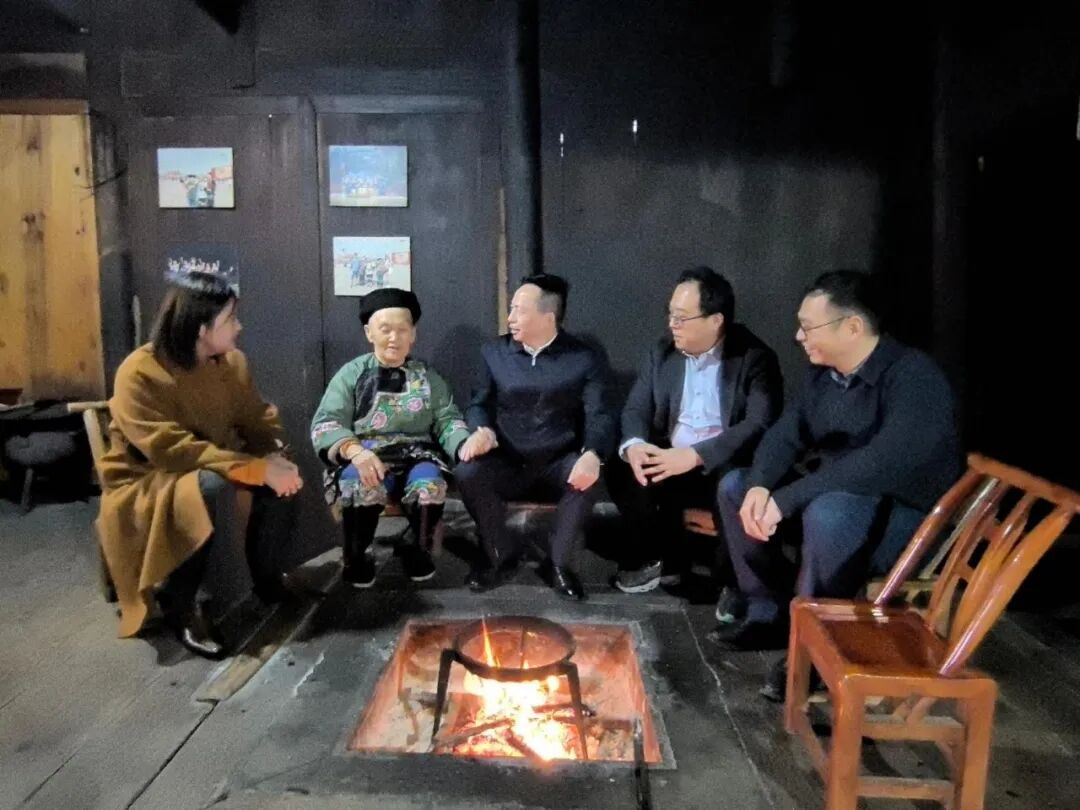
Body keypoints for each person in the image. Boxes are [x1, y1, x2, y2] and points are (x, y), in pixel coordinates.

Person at [709, 270, 963, 653]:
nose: (799, 336)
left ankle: (816, 648)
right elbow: (785, 433)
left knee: (828, 512)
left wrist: (786, 500)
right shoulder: (823, 376)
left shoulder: (913, 377)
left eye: (809, 327)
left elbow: (880, 463)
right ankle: (768, 613)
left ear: (853, 327)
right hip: (832, 494)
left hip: (901, 513)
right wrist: (760, 485)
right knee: (736, 488)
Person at [97, 265, 303, 659]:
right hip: (152, 476)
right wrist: (253, 467)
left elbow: (255, 417)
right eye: (230, 319)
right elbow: (170, 449)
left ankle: (266, 577)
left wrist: (275, 452)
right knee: (208, 487)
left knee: (286, 470)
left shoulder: (232, 362)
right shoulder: (139, 372)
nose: (239, 327)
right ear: (200, 328)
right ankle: (185, 603)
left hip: (217, 459)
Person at [610, 266, 783, 598]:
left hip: (722, 460)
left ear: (715, 320)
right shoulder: (662, 352)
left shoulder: (754, 358)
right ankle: (657, 559)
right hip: (670, 456)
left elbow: (759, 422)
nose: (672, 324)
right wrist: (635, 445)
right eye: (670, 315)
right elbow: (635, 409)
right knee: (622, 466)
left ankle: (734, 581)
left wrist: (695, 455)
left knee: (733, 482)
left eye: (682, 318)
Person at [455, 273, 617, 600]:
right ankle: (501, 555)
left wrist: (593, 454)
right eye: (511, 309)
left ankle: (559, 564)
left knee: (588, 475)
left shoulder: (583, 357)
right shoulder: (494, 353)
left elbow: (600, 414)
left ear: (548, 316)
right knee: (467, 471)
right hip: (508, 460)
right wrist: (482, 430)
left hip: (557, 460)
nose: (510, 318)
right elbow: (478, 403)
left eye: (519, 310)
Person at [310, 288, 475, 589]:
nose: (394, 338)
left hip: (417, 455)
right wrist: (355, 451)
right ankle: (357, 555)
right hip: (367, 455)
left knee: (429, 485)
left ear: (413, 334)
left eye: (402, 330)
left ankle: (418, 549)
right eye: (385, 329)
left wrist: (464, 444)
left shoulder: (428, 377)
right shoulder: (351, 374)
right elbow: (327, 422)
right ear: (368, 332)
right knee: (359, 483)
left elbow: (447, 419)